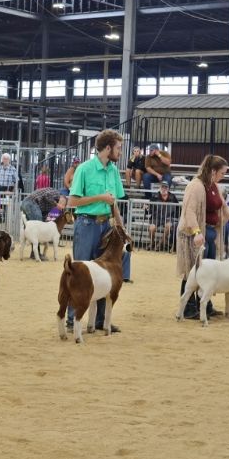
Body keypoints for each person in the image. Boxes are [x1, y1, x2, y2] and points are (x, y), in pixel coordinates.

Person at [65, 129, 126, 333]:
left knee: (105, 274)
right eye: (118, 148)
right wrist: (100, 197)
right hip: (86, 224)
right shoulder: (84, 169)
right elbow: (72, 201)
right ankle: (73, 318)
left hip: (106, 226)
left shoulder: (114, 171)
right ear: (107, 148)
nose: (120, 152)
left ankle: (100, 319)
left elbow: (114, 202)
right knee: (80, 272)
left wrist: (121, 227)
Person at [176, 155, 229, 319]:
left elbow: (223, 208)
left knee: (208, 271)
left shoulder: (214, 186)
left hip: (210, 233)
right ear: (213, 171)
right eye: (222, 173)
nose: (223, 176)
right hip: (195, 235)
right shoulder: (195, 186)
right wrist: (196, 232)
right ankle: (188, 307)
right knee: (192, 271)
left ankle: (206, 304)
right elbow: (189, 211)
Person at [148, 181, 179, 251]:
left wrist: (175, 217)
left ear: (168, 189)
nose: (164, 189)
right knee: (151, 228)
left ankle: (160, 244)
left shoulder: (173, 197)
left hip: (168, 217)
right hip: (156, 217)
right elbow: (149, 209)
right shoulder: (154, 196)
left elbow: (178, 209)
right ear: (160, 188)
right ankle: (152, 243)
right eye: (162, 187)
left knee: (168, 226)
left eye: (165, 187)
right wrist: (146, 209)